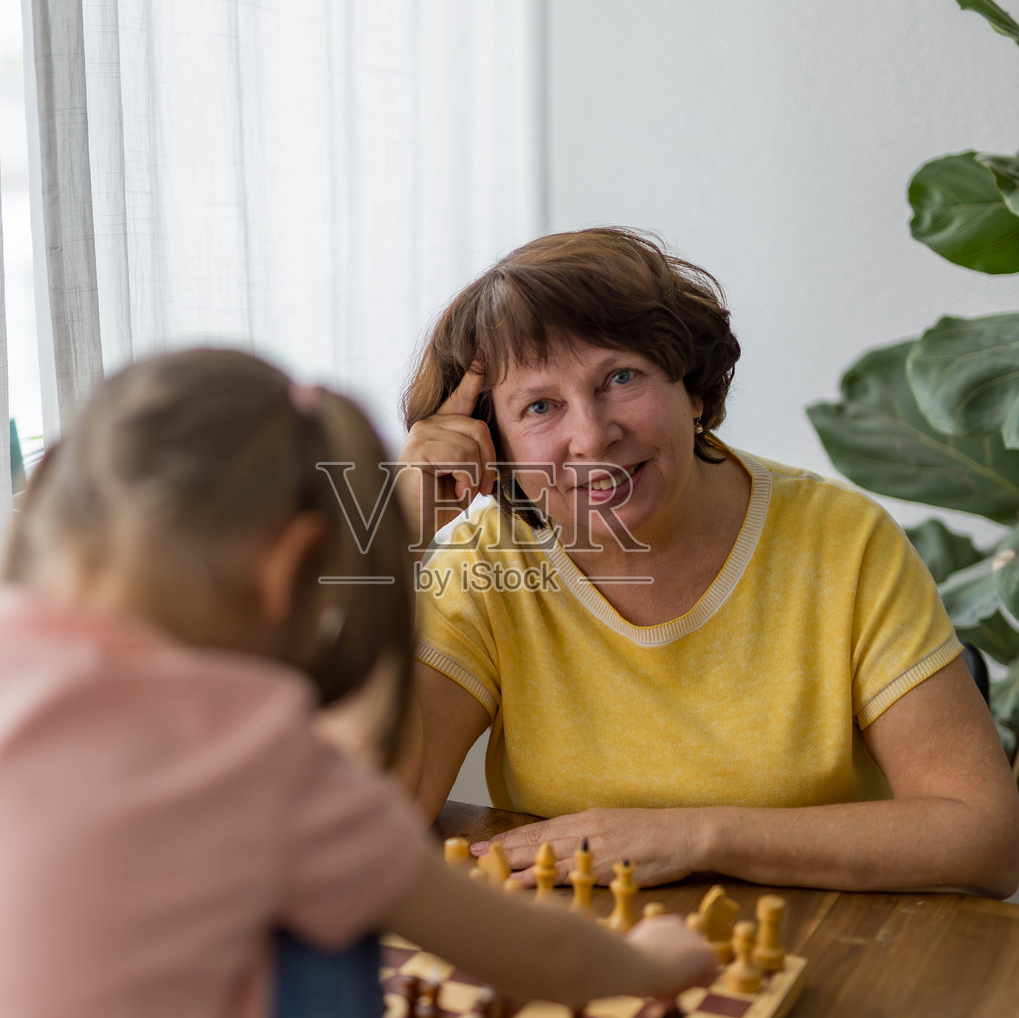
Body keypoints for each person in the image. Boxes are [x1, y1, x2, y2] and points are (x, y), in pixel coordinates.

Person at [0, 347, 716, 1018]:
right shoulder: (263, 764)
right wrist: (641, 964)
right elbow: (519, 948)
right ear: (288, 576)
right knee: (332, 905)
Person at [398, 227, 1019, 899]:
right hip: (581, 955)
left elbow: (985, 838)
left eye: (620, 377)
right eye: (541, 406)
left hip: (830, 954)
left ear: (691, 388)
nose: (592, 434)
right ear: (496, 446)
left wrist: (690, 837)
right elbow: (369, 809)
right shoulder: (489, 565)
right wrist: (398, 535)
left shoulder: (841, 540)